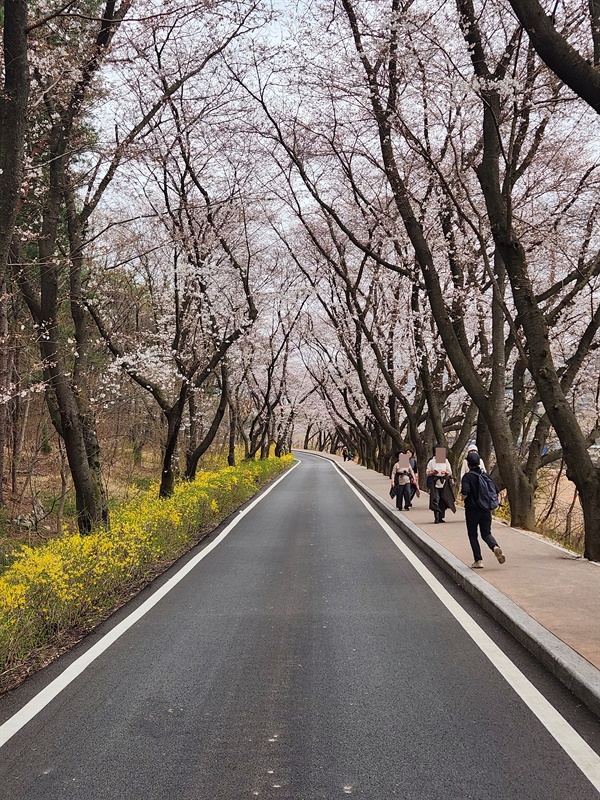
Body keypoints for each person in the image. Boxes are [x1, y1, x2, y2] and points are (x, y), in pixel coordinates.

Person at [461, 451, 505, 569]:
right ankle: (494, 546)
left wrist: (462, 497)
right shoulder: (485, 475)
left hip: (472, 510)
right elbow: (496, 490)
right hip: (486, 509)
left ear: (468, 464)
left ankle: (478, 560)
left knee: (473, 535)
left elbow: (465, 493)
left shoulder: (467, 477)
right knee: (486, 533)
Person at [426, 445, 454, 523]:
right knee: (436, 499)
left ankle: (441, 516)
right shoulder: (432, 461)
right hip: (435, 482)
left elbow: (449, 472)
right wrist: (433, 472)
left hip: (444, 483)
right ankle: (436, 517)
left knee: (443, 500)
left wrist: (445, 472)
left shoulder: (446, 461)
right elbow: (428, 472)